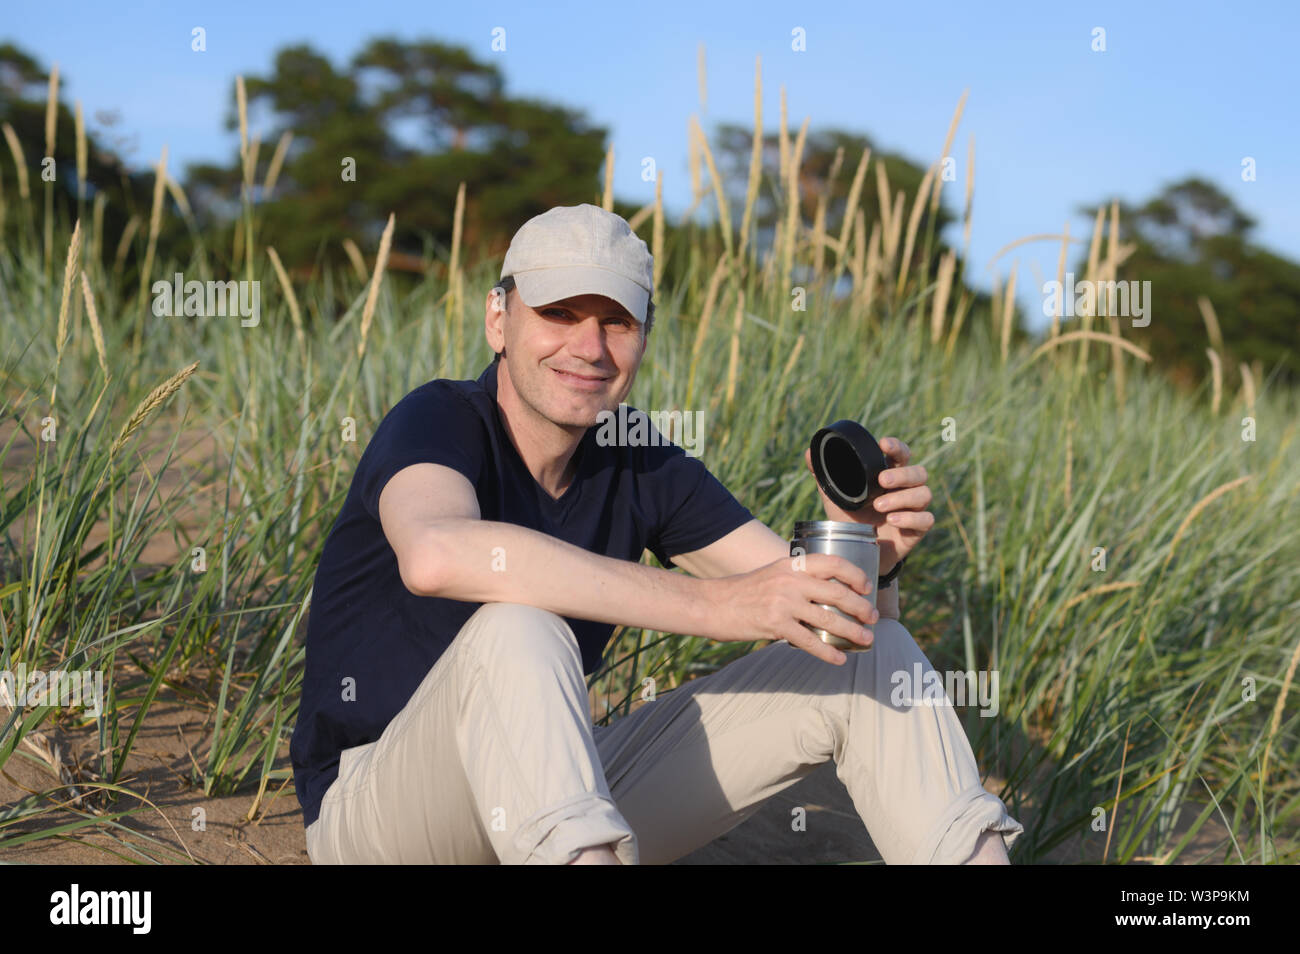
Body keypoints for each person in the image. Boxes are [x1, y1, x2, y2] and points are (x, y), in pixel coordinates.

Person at [289, 203, 1023, 865]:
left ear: (643, 339)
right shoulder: (441, 418)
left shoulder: (636, 455)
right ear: (498, 319)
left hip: (552, 793)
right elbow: (434, 553)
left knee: (872, 660)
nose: (588, 346)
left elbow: (821, 624)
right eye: (559, 313)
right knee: (517, 627)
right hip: (383, 813)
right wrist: (722, 607)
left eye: (616, 322)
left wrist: (869, 558)